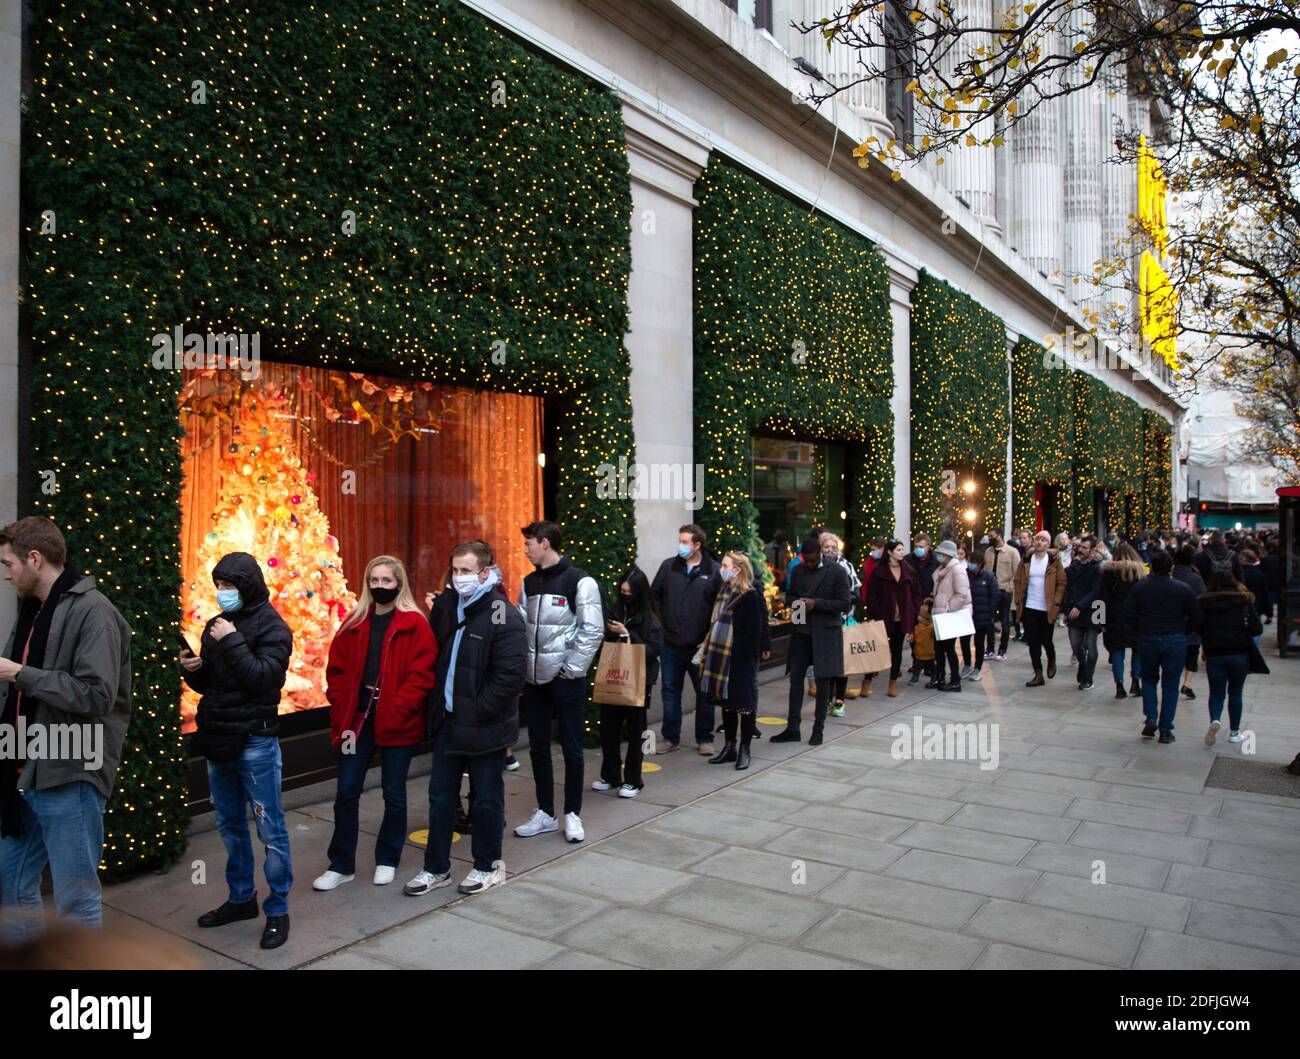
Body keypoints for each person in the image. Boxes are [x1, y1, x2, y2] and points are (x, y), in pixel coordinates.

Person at [0, 517, 132, 944]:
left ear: (34, 559)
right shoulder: (34, 611)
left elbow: (97, 696)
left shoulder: (96, 613)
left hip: (70, 771)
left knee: (75, 900)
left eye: (8, 564)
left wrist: (21, 674)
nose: (5, 575)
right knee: (13, 887)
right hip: (23, 770)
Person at [182, 552, 294, 949]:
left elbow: (263, 679)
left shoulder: (272, 626)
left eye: (229, 586)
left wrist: (230, 640)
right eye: (220, 586)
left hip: (255, 741)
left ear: (247, 586)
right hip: (219, 741)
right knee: (230, 826)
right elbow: (214, 685)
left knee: (270, 829)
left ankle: (277, 909)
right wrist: (193, 669)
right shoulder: (215, 625)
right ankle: (241, 898)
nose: (222, 593)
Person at [406, 541, 525, 897]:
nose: (459, 578)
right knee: (440, 797)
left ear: (485, 573)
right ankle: (435, 868)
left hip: (483, 725)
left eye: (466, 571)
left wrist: (476, 711)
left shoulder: (502, 613)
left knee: (487, 799)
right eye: (455, 571)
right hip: (448, 722)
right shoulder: (450, 607)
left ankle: (488, 866)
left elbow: (510, 677)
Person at [315, 556, 437, 892]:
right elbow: (336, 669)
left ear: (399, 584)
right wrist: (340, 702)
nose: (379, 587)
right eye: (374, 580)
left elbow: (422, 675)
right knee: (346, 791)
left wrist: (399, 707)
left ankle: (388, 858)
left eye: (386, 581)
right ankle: (341, 864)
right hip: (357, 719)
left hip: (397, 719)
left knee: (393, 792)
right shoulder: (354, 621)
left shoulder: (415, 623)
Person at [513, 521, 602, 845]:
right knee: (538, 747)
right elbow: (522, 624)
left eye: (529, 543)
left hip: (566, 679)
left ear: (545, 543)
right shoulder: (529, 582)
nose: (525, 549)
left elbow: (592, 629)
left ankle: (572, 814)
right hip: (534, 679)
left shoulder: (580, 581)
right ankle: (546, 812)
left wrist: (571, 669)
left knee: (572, 748)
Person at [651, 524, 722, 756]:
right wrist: (661, 628)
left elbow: (720, 606)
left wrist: (710, 636)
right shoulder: (669, 567)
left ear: (697, 545)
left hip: (700, 646)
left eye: (685, 542)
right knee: (670, 691)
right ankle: (670, 737)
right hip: (670, 643)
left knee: (704, 693)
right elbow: (654, 598)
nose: (680, 545)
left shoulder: (713, 571)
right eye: (679, 541)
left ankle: (705, 738)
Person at [775, 534, 852, 745]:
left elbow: (844, 603)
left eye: (812, 560)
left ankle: (818, 729)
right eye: (805, 560)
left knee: (823, 680)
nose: (808, 564)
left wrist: (816, 603)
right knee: (795, 679)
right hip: (801, 632)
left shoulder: (836, 571)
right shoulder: (798, 570)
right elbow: (789, 595)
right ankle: (792, 727)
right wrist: (796, 602)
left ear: (819, 554)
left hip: (825, 633)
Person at [1123, 550, 1203, 743]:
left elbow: (1128, 614)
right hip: (1175, 637)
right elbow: (1197, 616)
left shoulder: (1140, 588)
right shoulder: (1183, 589)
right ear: (1171, 567)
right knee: (1170, 685)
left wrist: (1138, 631)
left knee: (1149, 679)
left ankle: (1151, 717)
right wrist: (1184, 631)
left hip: (1148, 636)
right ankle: (1166, 728)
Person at [596, 569, 662, 797]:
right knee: (608, 729)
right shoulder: (616, 610)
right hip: (614, 677)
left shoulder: (650, 619)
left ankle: (633, 780)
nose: (625, 595)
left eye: (629, 592)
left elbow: (653, 651)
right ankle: (611, 774)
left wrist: (627, 634)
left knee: (636, 732)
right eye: (622, 591)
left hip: (639, 681)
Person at [700, 553, 764, 769]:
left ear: (737, 570)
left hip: (740, 661)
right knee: (727, 705)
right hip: (722, 659)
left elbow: (753, 631)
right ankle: (729, 747)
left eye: (726, 566)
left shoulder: (750, 595)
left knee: (744, 706)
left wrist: (744, 657)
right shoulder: (724, 590)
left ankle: (745, 749)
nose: (722, 569)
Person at [1199, 568, 1263, 747]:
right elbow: (1256, 629)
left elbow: (1198, 625)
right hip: (1239, 652)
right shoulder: (1244, 601)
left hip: (1215, 653)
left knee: (1216, 691)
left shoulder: (1205, 602)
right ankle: (1235, 732)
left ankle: (1215, 719)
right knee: (1236, 692)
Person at [865, 540, 919, 698]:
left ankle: (893, 682)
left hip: (901, 618)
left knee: (896, 652)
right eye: (898, 549)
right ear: (889, 552)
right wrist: (876, 611)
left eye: (903, 550)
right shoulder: (879, 570)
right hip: (883, 617)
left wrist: (913, 609)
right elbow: (871, 594)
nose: (902, 552)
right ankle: (867, 681)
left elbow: (916, 593)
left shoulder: (908, 570)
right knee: (876, 650)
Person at [1013, 530, 1066, 687]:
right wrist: (1018, 599)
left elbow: (1061, 583)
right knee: (1033, 642)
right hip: (1030, 606)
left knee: (1046, 640)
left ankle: (1051, 658)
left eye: (1043, 540)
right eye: (1037, 539)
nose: (1039, 542)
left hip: (1047, 608)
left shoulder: (1053, 561)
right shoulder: (1027, 560)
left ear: (1048, 544)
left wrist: (1056, 603)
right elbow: (1018, 580)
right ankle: (1038, 673)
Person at [819, 531, 860, 717]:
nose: (830, 550)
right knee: (825, 664)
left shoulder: (846, 566)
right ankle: (826, 700)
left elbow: (856, 594)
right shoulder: (814, 566)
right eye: (826, 547)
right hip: (820, 623)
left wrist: (840, 601)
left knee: (842, 665)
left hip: (842, 621)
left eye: (833, 547)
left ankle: (839, 701)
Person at [1097, 543, 1144, 698]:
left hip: (1113, 617)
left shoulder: (1108, 574)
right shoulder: (1140, 573)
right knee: (1137, 651)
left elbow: (1101, 598)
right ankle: (1136, 682)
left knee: (1117, 652)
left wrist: (1100, 621)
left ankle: (1119, 686)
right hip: (1136, 618)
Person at [929, 539, 971, 692]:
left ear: (947, 554)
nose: (938, 555)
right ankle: (940, 677)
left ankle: (955, 681)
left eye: (940, 553)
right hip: (940, 614)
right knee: (938, 648)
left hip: (949, 615)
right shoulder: (943, 568)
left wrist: (947, 609)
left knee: (948, 648)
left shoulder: (956, 569)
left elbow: (961, 594)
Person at [1172, 545, 1206, 701]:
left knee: (1174, 656)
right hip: (1192, 624)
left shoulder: (1170, 576)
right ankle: (1188, 684)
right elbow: (1202, 600)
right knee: (1192, 655)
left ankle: (1173, 682)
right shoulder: (1196, 578)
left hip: (1172, 624)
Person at [904, 534, 939, 684]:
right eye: (916, 546)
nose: (918, 549)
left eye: (921, 547)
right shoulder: (907, 560)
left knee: (930, 636)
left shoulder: (935, 562)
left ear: (928, 547)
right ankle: (916, 660)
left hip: (928, 603)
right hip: (911, 601)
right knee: (914, 635)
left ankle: (929, 663)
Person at [962, 545, 999, 681]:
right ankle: (966, 664)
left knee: (979, 642)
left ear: (979, 564)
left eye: (973, 562)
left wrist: (990, 612)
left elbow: (995, 595)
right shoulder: (964, 575)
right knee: (964, 641)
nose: (970, 564)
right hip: (967, 615)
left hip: (982, 616)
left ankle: (977, 668)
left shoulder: (988, 577)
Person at [982, 530, 1020, 660]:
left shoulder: (1012, 552)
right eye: (989, 537)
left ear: (999, 535)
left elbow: (1017, 572)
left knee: (1004, 621)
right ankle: (990, 649)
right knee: (989, 621)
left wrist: (1010, 587)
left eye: (992, 536)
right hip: (990, 591)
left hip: (1004, 590)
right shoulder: (988, 552)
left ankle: (1003, 650)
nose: (990, 539)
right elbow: (986, 570)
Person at [1238, 549, 1272, 632]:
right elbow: (1264, 594)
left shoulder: (1237, 574)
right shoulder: (1260, 575)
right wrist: (1269, 612)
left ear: (1243, 559)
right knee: (1255, 631)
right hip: (1256, 607)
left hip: (1239, 607)